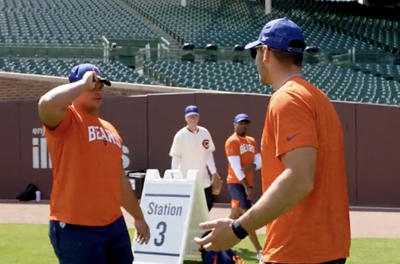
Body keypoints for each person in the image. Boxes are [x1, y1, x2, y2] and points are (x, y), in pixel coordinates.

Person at [194, 17, 351, 264]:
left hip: (296, 250)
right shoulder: (319, 99)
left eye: (254, 53)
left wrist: (238, 228)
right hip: (328, 248)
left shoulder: (287, 99)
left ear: (265, 52)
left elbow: (299, 179)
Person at [38, 63, 150, 264]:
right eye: (93, 85)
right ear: (77, 87)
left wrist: (138, 217)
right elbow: (46, 103)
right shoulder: (67, 119)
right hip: (76, 227)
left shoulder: (111, 129)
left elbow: (119, 179)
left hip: (114, 225)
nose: (99, 90)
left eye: (101, 86)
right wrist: (83, 83)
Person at [225, 113, 263, 261]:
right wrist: (247, 187)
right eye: (241, 123)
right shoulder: (232, 141)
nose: (244, 125)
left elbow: (259, 161)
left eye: (246, 123)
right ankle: (259, 250)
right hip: (236, 183)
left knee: (235, 216)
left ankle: (216, 241)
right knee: (248, 217)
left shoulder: (251, 141)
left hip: (247, 183)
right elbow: (235, 167)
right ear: (234, 125)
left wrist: (252, 166)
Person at [169, 105, 221, 211]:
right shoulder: (180, 135)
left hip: (203, 178)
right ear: (186, 118)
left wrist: (214, 172)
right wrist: (175, 176)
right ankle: (192, 227)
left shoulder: (205, 133)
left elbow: (208, 154)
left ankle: (202, 226)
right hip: (186, 178)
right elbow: (176, 157)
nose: (193, 119)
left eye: (195, 116)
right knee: (187, 208)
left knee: (208, 205)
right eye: (190, 117)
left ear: (198, 118)